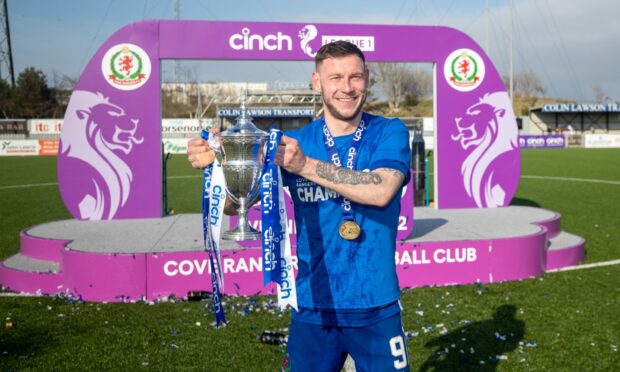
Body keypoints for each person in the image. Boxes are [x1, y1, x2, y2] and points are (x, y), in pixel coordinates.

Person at [187, 41, 411, 371]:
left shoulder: (389, 132)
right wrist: (220, 169)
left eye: (355, 77)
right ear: (316, 82)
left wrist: (304, 165)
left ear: (367, 80)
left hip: (375, 306)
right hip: (312, 306)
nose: (346, 88)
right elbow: (238, 208)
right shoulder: (295, 142)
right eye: (335, 78)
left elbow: (381, 190)